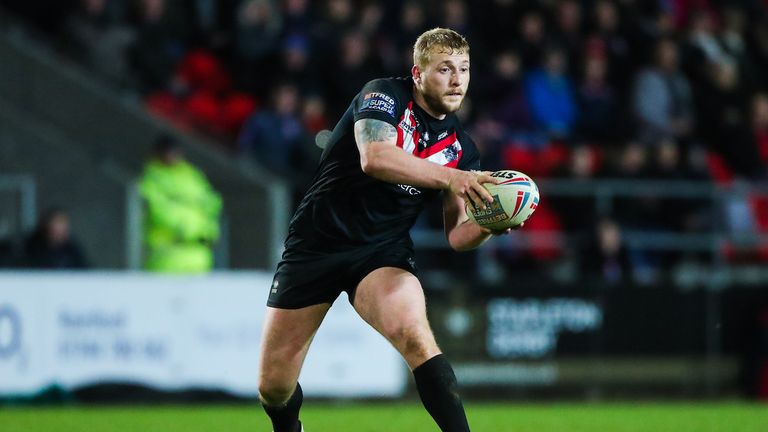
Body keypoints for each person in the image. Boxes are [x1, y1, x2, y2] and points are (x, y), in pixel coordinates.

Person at [258, 28, 517, 432]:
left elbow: (457, 236)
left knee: (415, 337)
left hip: (380, 254)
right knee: (273, 387)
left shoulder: (462, 148)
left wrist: (490, 224)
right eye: (444, 69)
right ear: (417, 73)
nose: (456, 80)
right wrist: (451, 179)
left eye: (464, 69)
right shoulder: (384, 95)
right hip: (315, 246)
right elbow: (375, 158)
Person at [138, 135, 222, 272]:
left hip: (199, 251)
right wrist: (185, 227)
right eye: (167, 151)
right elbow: (157, 209)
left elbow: (211, 202)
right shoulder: (152, 177)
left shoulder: (191, 174)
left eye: (174, 151)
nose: (172, 155)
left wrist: (209, 229)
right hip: (167, 252)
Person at [23, 208, 88, 269]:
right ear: (47, 228)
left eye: (64, 229)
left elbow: (85, 270)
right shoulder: (32, 248)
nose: (60, 232)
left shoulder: (72, 250)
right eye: (57, 228)